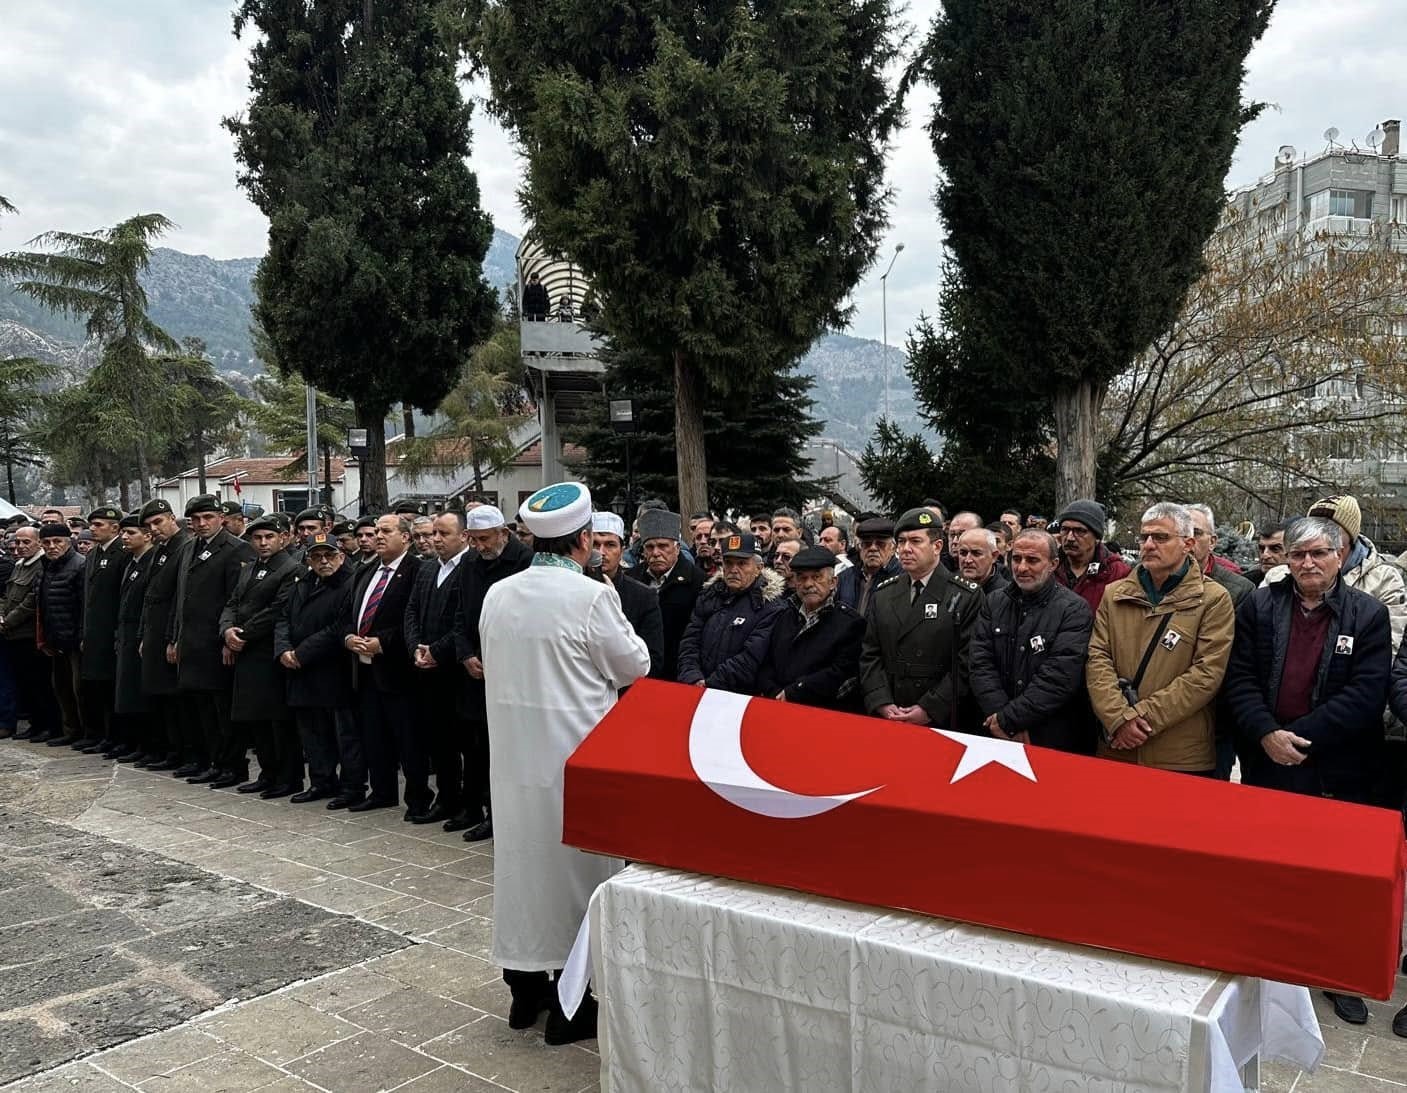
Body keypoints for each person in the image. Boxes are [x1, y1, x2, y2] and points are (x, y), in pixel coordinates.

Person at [479, 480, 651, 1045]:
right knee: (577, 882)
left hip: (512, 765)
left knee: (523, 877)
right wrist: (610, 599)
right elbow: (634, 665)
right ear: (582, 540)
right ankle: (570, 1008)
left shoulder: (498, 593)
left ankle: (523, 992)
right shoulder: (592, 597)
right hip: (573, 764)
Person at [1225, 515, 1390, 1029]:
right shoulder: (1259, 604)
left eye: (1319, 553)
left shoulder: (1368, 615)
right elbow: (1240, 679)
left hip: (1334, 768)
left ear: (1341, 555)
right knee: (1269, 867)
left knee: (1332, 878)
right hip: (1268, 759)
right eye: (1298, 555)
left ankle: (1335, 974)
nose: (1308, 563)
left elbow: (1367, 694)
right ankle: (1265, 963)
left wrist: (1301, 739)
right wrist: (1267, 735)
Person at [1085, 502, 1235, 775]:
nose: (1149, 545)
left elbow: (1206, 675)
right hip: (1117, 747)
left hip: (1179, 754)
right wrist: (1119, 718)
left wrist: (1139, 719)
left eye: (1161, 537)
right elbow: (1098, 659)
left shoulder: (1213, 599)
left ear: (1188, 544)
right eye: (1144, 537)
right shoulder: (1114, 594)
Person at [969, 530, 1096, 754]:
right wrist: (1002, 720)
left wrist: (1011, 719)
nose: (1021, 568)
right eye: (1016, 559)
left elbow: (1059, 676)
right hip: (994, 729)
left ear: (1053, 564)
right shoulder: (994, 602)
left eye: (1032, 560)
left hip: (1049, 735)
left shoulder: (1074, 609)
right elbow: (980, 663)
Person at [859, 507, 984, 728]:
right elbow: (870, 654)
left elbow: (967, 663)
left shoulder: (965, 595)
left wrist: (929, 708)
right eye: (901, 542)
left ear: (937, 546)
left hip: (940, 717)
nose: (905, 549)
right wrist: (881, 701)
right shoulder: (884, 593)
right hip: (890, 711)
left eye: (915, 541)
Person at [455, 504, 533, 839]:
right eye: (474, 540)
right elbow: (459, 614)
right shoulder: (470, 563)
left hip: (513, 674)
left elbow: (529, 621)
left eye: (485, 539)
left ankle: (503, 816)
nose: (480, 547)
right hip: (476, 669)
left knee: (505, 750)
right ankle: (476, 807)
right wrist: (465, 654)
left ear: (504, 533)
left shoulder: (526, 562)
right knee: (474, 747)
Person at [170, 494, 256, 786]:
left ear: (221, 517)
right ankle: (214, 761)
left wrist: (228, 640)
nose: (201, 524)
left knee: (223, 710)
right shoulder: (189, 547)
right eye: (195, 519)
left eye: (207, 518)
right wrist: (175, 637)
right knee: (202, 708)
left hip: (217, 642)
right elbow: (181, 597)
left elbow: (240, 600)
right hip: (193, 642)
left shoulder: (237, 549)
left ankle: (233, 765)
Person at [343, 514, 426, 815]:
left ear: (405, 537)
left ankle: (418, 799)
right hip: (364, 669)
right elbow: (348, 615)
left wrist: (385, 643)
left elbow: (413, 617)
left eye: (386, 531)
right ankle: (382, 791)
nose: (378, 536)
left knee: (408, 739)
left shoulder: (418, 570)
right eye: (376, 531)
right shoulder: (364, 572)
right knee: (374, 736)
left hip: (399, 671)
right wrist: (349, 637)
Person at [220, 515, 301, 797]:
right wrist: (227, 630)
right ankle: (268, 773)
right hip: (246, 653)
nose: (263, 543)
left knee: (277, 721)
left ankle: (287, 777)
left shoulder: (290, 569)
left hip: (267, 653)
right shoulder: (250, 567)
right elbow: (232, 602)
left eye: (269, 537)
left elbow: (278, 609)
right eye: (257, 538)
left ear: (282, 538)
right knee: (256, 719)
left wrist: (242, 634)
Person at [276, 532, 358, 806]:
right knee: (312, 733)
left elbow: (339, 626)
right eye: (316, 556)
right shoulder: (303, 582)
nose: (323, 561)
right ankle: (321, 782)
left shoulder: (350, 583)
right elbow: (284, 618)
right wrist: (284, 649)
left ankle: (351, 787)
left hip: (333, 669)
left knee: (344, 735)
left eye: (329, 555)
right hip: (300, 670)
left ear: (341, 556)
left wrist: (302, 652)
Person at [404, 510, 472, 824]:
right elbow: (412, 611)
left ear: (464, 536)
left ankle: (469, 803)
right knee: (438, 741)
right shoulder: (428, 569)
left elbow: (464, 621)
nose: (435, 540)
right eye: (434, 533)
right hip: (425, 669)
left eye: (443, 534)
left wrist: (437, 651)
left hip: (455, 671)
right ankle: (446, 799)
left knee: (465, 743)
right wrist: (416, 647)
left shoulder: (471, 570)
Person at [755, 545, 865, 709]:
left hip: (820, 713)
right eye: (802, 578)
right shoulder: (783, 615)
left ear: (833, 582)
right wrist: (775, 692)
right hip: (777, 706)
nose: (808, 584)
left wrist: (794, 692)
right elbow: (766, 661)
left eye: (816, 577)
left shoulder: (850, 623)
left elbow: (842, 673)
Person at [677, 533, 786, 692]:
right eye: (728, 563)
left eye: (742, 564)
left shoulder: (770, 606)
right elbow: (690, 640)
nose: (734, 570)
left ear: (758, 569)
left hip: (738, 698)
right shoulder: (710, 595)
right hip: (696, 688)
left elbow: (751, 657)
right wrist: (692, 676)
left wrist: (710, 685)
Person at [137, 499, 195, 773]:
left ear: (172, 518)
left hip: (170, 632)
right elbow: (150, 595)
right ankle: (169, 749)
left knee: (176, 701)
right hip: (154, 631)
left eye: (158, 522)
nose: (154, 528)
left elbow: (178, 598)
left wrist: (173, 638)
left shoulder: (184, 547)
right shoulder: (161, 550)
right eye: (149, 525)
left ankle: (183, 752)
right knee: (159, 697)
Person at [626, 509, 703, 681]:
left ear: (677, 548)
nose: (655, 553)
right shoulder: (630, 579)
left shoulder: (698, 582)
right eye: (650, 547)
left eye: (663, 546)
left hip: (678, 674)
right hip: (639, 673)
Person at [0, 525, 58, 741]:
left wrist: (9, 620)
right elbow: (9, 594)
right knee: (26, 684)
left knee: (40, 683)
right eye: (18, 542)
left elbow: (31, 601)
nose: (21, 547)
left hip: (30, 634)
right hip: (14, 634)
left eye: (27, 542)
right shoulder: (19, 566)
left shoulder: (42, 565)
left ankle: (48, 725)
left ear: (38, 542)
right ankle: (35, 723)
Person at [78, 506, 126, 753]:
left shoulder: (122, 552)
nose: (93, 530)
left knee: (113, 687)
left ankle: (118, 737)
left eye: (99, 525)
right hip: (95, 632)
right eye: (92, 525)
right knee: (98, 687)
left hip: (112, 632)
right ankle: (103, 735)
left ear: (115, 527)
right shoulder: (95, 554)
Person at [592, 512, 663, 678]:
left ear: (622, 550)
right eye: (595, 545)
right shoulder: (573, 589)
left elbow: (652, 661)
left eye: (610, 545)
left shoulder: (643, 597)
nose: (602, 552)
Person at [36, 522, 86, 745]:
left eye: (58, 542)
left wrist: (80, 635)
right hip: (56, 638)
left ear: (68, 542)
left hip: (75, 639)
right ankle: (71, 730)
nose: (52, 546)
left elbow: (84, 606)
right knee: (61, 688)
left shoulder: (79, 565)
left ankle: (88, 732)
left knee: (79, 690)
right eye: (46, 543)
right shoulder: (46, 566)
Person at [111, 514, 155, 762]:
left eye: (131, 533)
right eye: (124, 533)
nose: (125, 537)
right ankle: (136, 743)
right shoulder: (132, 562)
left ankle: (148, 745)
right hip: (126, 632)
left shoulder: (150, 561)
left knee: (140, 692)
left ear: (147, 535)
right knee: (127, 692)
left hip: (140, 632)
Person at [1053, 499, 1131, 613]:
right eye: (1065, 529)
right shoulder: (1049, 567)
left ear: (1097, 537)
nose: (1070, 538)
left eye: (1080, 531)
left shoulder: (1117, 573)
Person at [1187, 504, 1254, 607]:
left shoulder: (1240, 589)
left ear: (1212, 542)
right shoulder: (1157, 579)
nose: (1187, 540)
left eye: (1196, 533)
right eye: (1180, 533)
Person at [836, 515, 900, 614]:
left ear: (893, 548)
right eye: (867, 544)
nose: (873, 548)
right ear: (860, 547)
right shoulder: (845, 577)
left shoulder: (903, 578)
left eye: (880, 544)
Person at [955, 528, 1009, 597]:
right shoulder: (948, 586)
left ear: (994, 556)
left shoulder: (1007, 595)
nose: (967, 560)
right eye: (963, 553)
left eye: (976, 554)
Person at [1243, 518, 1292, 587]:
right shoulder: (1246, 584)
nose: (1265, 555)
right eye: (1262, 549)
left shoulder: (1301, 584)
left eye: (1275, 549)